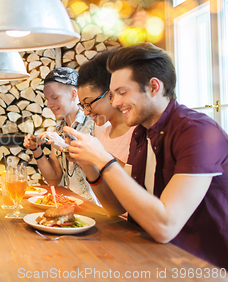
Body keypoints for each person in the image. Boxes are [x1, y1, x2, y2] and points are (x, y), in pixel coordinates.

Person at [64, 43, 228, 268]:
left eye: (121, 93)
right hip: (149, 257)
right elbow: (117, 209)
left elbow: (165, 227)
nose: (115, 102)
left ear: (153, 87)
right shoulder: (142, 133)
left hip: (200, 266)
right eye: (112, 95)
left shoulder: (197, 131)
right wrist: (89, 162)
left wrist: (103, 159)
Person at [23, 67, 98, 202]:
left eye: (54, 97)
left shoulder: (95, 124)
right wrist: (36, 149)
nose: (49, 104)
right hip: (72, 205)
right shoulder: (59, 131)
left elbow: (102, 170)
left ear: (73, 95)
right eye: (47, 99)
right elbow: (54, 179)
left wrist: (64, 147)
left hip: (95, 209)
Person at [74, 51, 136, 215]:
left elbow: (132, 194)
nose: (86, 112)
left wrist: (99, 155)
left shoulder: (138, 133)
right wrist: (86, 164)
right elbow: (113, 208)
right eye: (82, 106)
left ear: (110, 94)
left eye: (88, 104)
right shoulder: (106, 133)